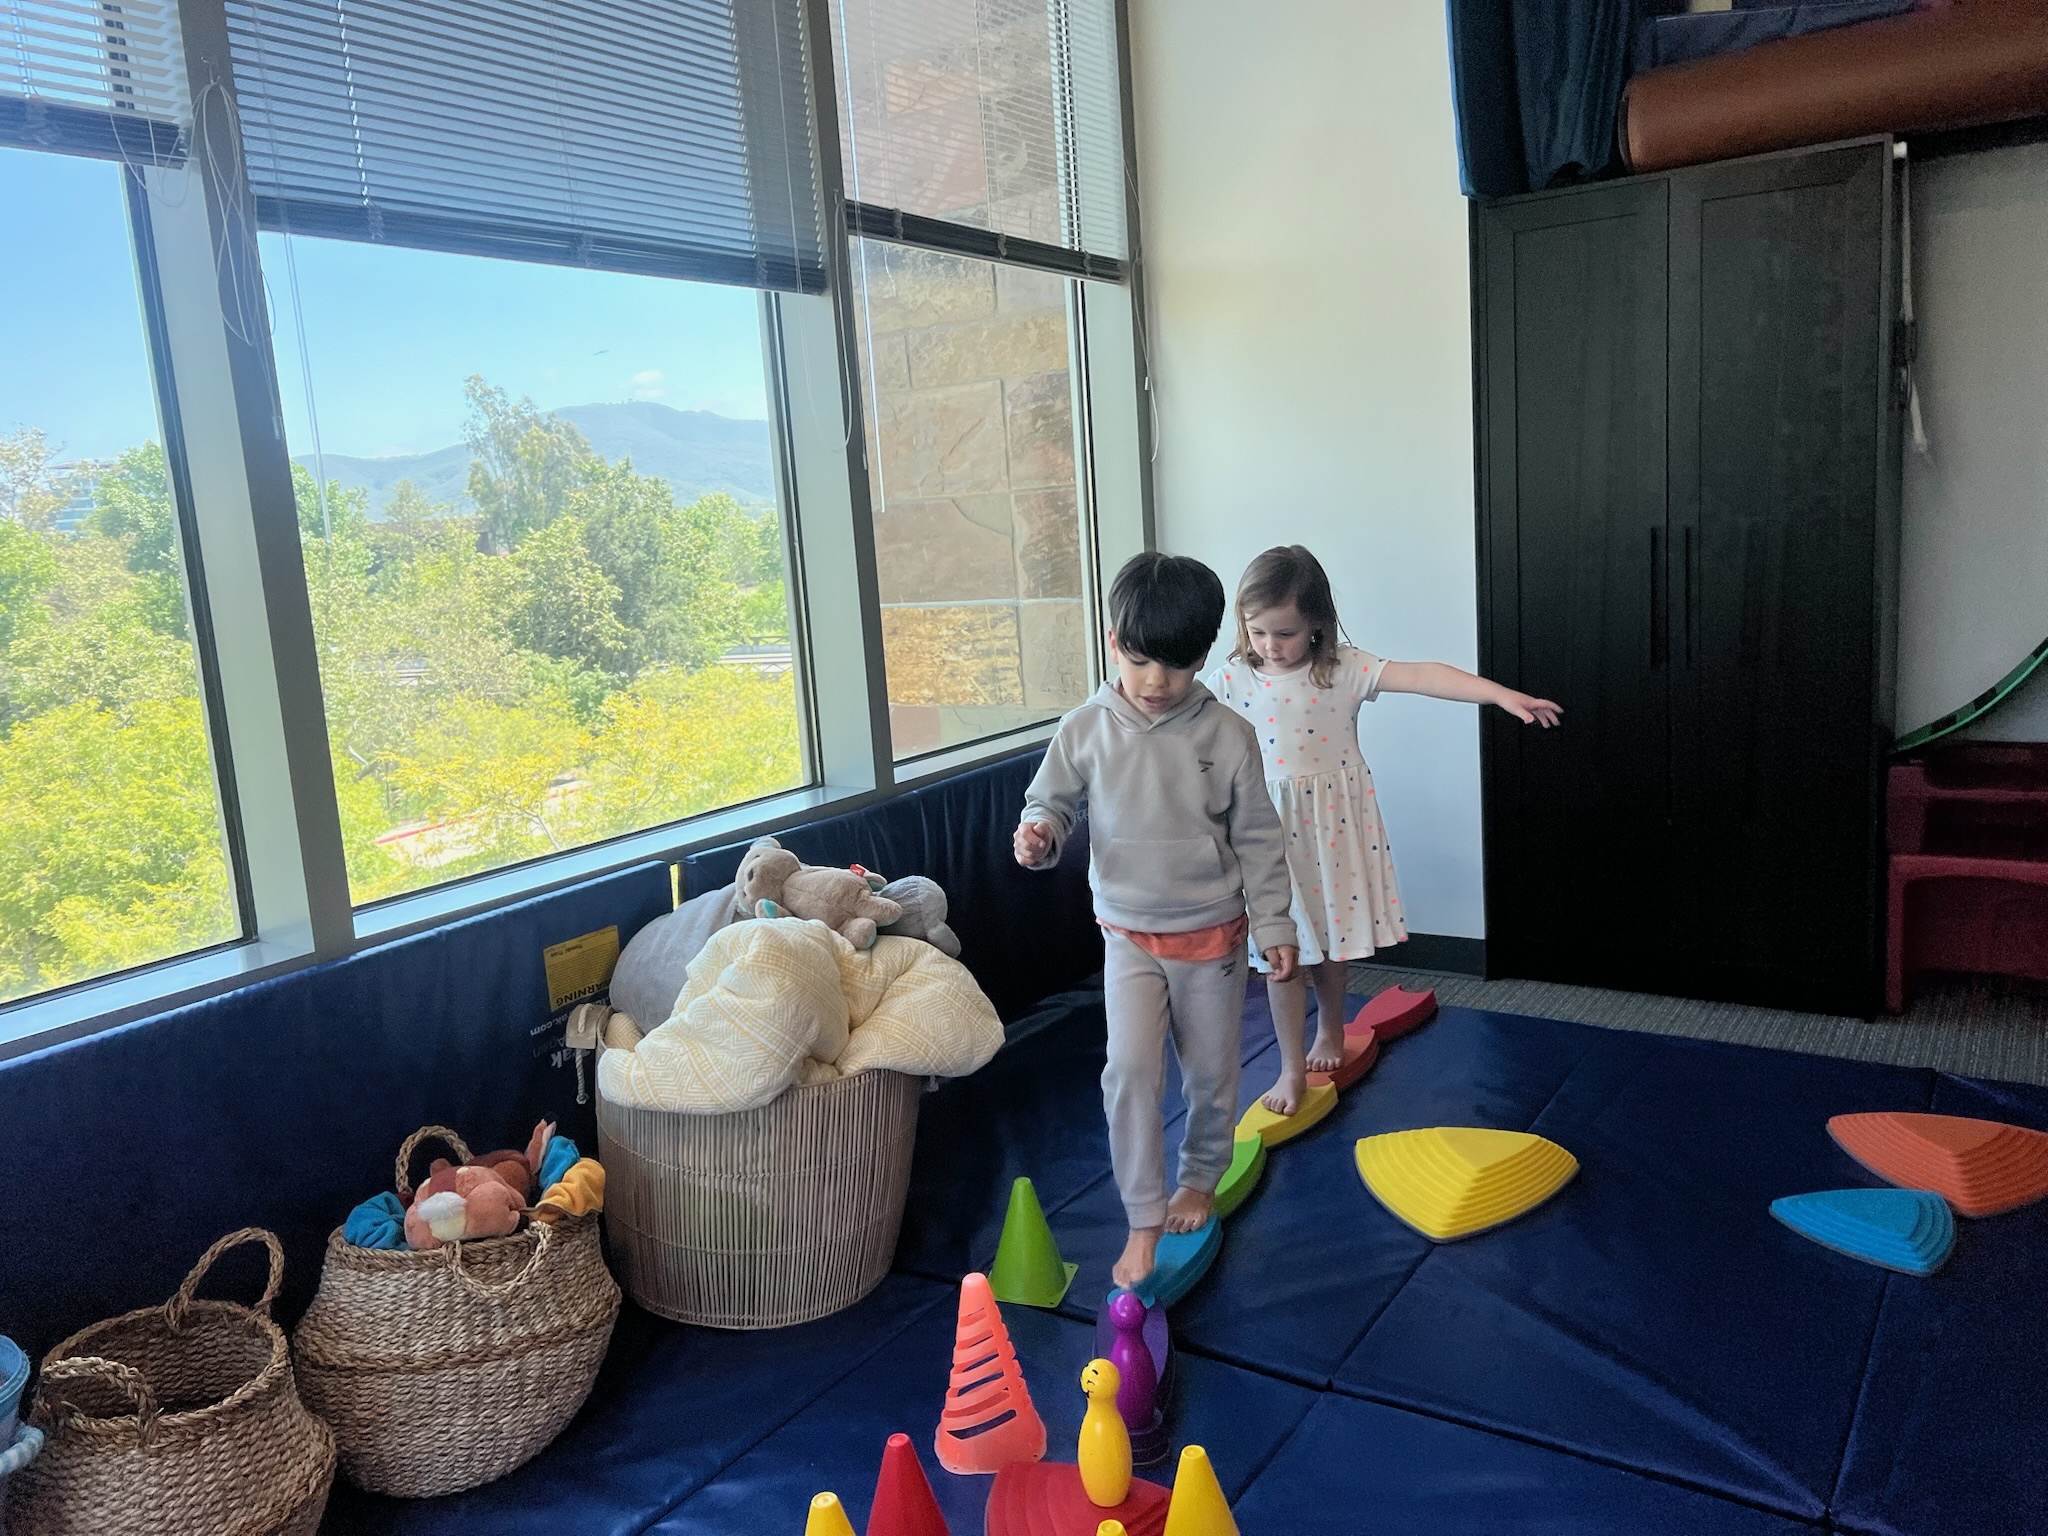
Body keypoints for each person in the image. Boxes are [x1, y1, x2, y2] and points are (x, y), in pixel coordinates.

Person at [1015, 552, 1299, 1289]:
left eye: (1174, 667)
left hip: (1212, 940)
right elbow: (1051, 801)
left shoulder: (1227, 736)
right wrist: (1040, 833)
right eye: (1139, 661)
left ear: (1203, 655)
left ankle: (1199, 1175)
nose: (1154, 683)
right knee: (1130, 1073)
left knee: (1210, 1075)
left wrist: (1275, 925)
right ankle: (1143, 1216)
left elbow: (1261, 840)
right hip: (1129, 939)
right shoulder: (1085, 729)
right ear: (1113, 641)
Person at [1207, 545, 1561, 1115]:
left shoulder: (1340, 670)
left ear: (1317, 626)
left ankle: (1330, 1029)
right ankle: (1290, 1067)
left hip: (1330, 829)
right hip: (1265, 832)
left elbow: (1424, 676)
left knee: (1331, 939)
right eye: (1257, 632)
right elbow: (1183, 725)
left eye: (1285, 633)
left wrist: (1500, 695)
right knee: (1282, 951)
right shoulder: (1230, 678)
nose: (1270, 646)